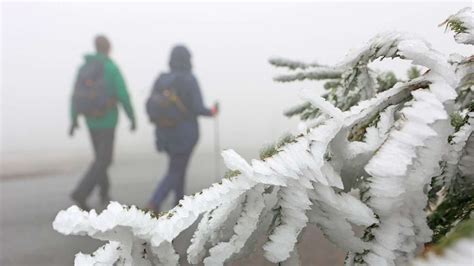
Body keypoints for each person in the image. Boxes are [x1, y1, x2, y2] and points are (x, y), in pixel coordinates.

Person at [146, 45, 218, 212]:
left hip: (164, 132)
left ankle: (179, 204)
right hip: (185, 133)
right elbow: (198, 107)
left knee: (178, 167)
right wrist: (212, 112)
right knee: (176, 169)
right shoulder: (189, 79)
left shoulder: (161, 80)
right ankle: (154, 203)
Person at [69, 35, 136, 210]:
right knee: (104, 159)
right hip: (107, 120)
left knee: (101, 158)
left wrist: (74, 119)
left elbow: (75, 95)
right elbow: (123, 94)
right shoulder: (111, 68)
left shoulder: (83, 68)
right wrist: (132, 117)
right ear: (109, 48)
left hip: (91, 121)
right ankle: (81, 192)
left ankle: (104, 191)